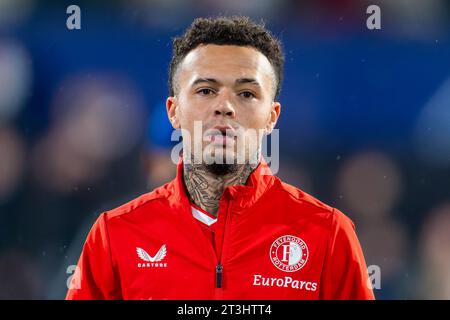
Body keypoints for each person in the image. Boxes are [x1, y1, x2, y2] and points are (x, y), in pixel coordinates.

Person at [66, 16, 374, 300]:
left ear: (272, 116)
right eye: (205, 90)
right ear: (174, 111)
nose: (225, 106)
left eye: (246, 94)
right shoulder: (115, 234)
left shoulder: (328, 235)